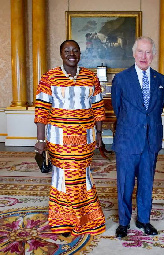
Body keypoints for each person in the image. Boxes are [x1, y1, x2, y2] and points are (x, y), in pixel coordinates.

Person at [34, 40, 106, 237]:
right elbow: (41, 110)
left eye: (75, 50)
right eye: (67, 51)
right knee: (62, 178)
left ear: (80, 54)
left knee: (82, 176)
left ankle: (87, 218)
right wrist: (41, 140)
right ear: (61, 54)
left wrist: (100, 134)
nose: (71, 54)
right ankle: (63, 221)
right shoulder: (50, 77)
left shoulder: (91, 77)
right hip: (59, 140)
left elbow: (98, 109)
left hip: (85, 139)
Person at [111, 36, 164, 238]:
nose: (144, 56)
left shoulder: (160, 80)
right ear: (134, 53)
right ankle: (124, 222)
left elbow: (157, 109)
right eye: (140, 51)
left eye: (148, 52)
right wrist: (132, 125)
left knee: (146, 183)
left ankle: (144, 220)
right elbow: (118, 108)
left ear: (153, 55)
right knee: (125, 184)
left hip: (150, 140)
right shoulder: (121, 78)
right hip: (127, 140)